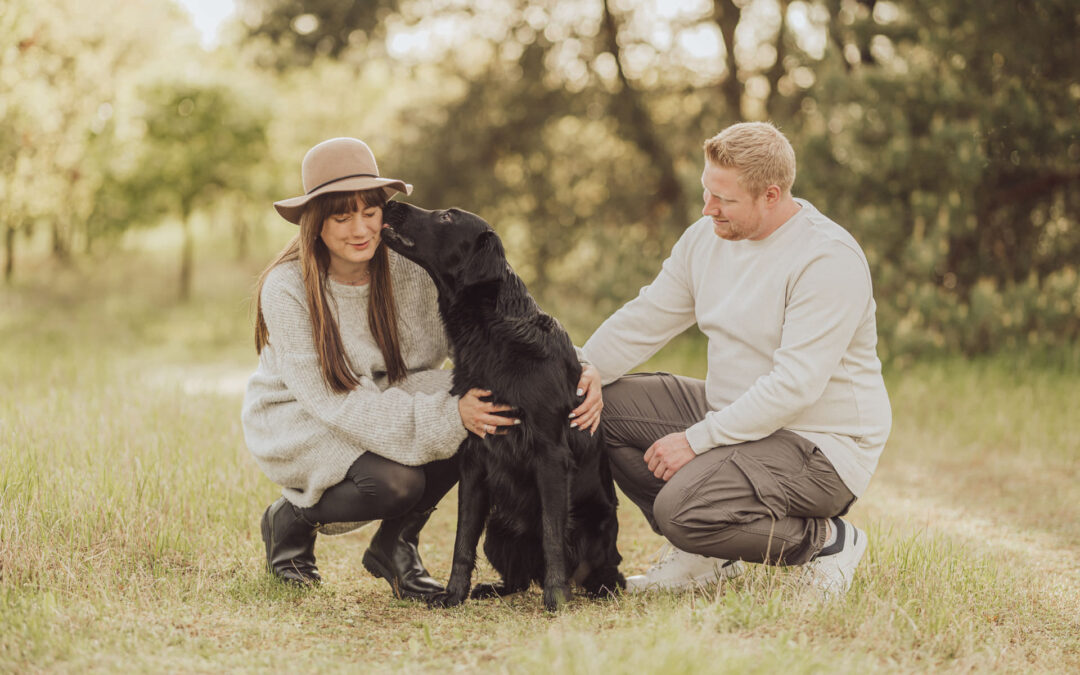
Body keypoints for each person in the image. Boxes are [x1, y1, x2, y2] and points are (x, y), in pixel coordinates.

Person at [242, 138, 604, 598]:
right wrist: (448, 416)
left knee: (490, 407)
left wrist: (581, 366)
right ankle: (291, 519)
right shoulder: (287, 287)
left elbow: (499, 320)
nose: (360, 229)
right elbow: (335, 403)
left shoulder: (407, 263)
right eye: (341, 216)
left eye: (369, 212)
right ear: (315, 224)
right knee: (396, 484)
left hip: (391, 392)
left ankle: (394, 546)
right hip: (303, 414)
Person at [581, 122, 892, 598]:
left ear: (771, 195)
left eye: (723, 199)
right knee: (600, 407)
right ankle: (705, 557)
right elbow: (646, 317)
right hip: (734, 413)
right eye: (707, 192)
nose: (708, 209)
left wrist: (697, 440)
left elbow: (794, 387)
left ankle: (827, 542)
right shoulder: (707, 238)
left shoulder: (827, 259)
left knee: (680, 510)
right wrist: (580, 371)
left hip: (821, 443)